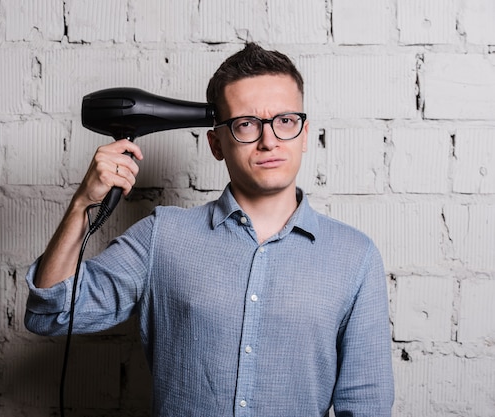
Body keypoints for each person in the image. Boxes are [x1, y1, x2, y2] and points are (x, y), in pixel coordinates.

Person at [25, 42, 394, 416]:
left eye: (285, 121)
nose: (269, 141)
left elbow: (366, 406)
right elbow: (50, 313)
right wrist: (82, 203)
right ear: (217, 144)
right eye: (246, 124)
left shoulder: (355, 257)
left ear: (303, 134)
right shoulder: (162, 237)